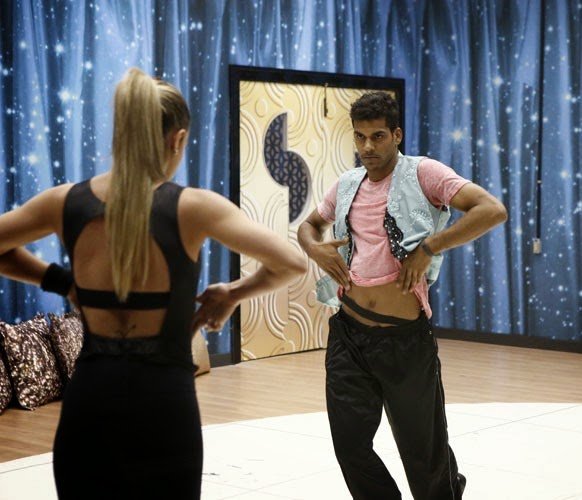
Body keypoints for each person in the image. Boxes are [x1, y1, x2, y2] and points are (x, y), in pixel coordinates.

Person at [0, 67, 307, 500]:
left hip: (89, 405)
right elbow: (291, 263)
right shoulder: (195, 207)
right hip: (164, 409)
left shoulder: (64, 202)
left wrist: (61, 280)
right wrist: (232, 294)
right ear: (177, 140)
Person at [297, 91, 507, 500]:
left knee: (423, 452)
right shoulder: (347, 184)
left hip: (404, 340)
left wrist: (429, 247)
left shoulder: (423, 173)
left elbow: (491, 210)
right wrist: (314, 249)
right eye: (360, 137)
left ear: (396, 135)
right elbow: (310, 226)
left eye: (377, 136)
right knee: (350, 446)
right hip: (348, 334)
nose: (367, 147)